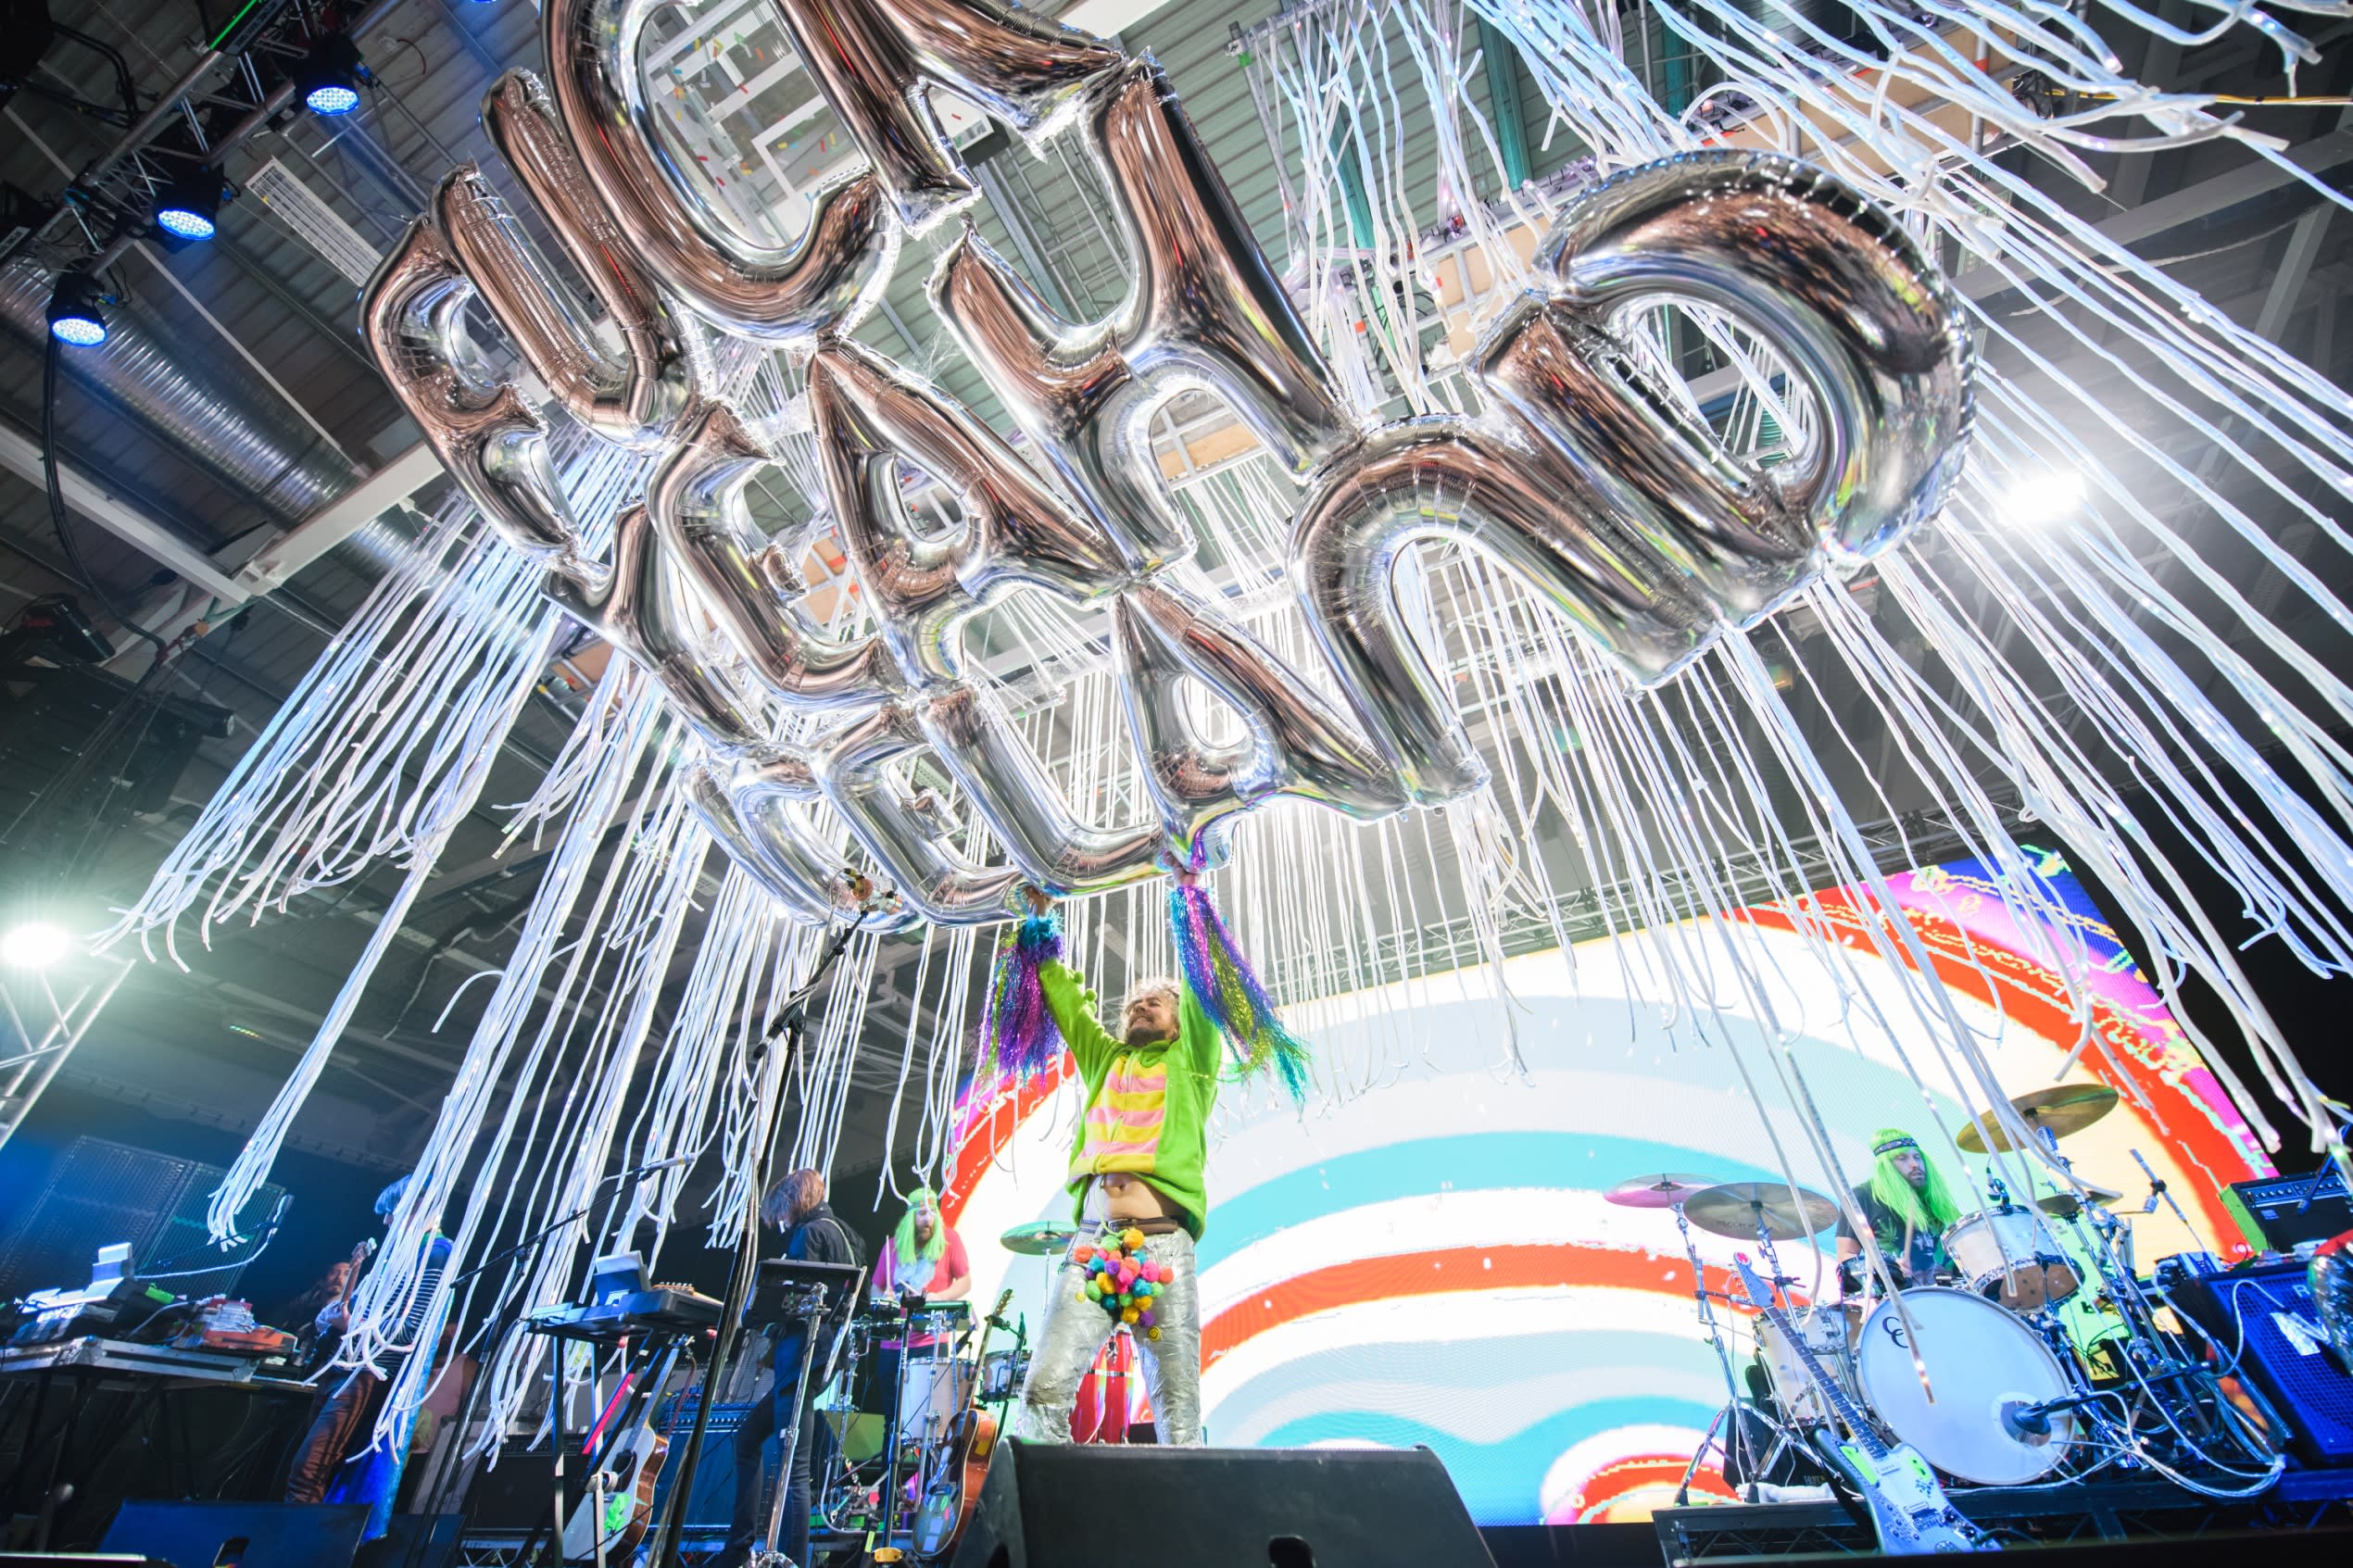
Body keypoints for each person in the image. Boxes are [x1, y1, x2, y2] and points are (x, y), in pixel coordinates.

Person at [1009, 871, 1223, 1448]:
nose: (1142, 1006)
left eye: (1156, 1003)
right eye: (1133, 1004)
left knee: (1178, 1416)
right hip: (1095, 1247)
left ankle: (1187, 1534)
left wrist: (1187, 896)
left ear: (1178, 1021)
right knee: (1042, 1391)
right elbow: (1067, 1005)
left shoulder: (1192, 1062)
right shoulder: (1106, 1061)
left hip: (1162, 1250)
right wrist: (1039, 925)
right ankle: (1046, 1525)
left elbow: (1202, 987)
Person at [719, 1168, 862, 1568]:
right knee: (748, 1438)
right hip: (818, 1359)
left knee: (794, 1469)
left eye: (781, 1212)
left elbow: (794, 1301)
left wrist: (762, 1316)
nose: (780, 1222)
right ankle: (740, 1548)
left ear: (794, 1201)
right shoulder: (844, 1233)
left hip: (803, 1358)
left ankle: (787, 1559)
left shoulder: (811, 1234)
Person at [284, 1175, 452, 1512]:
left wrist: (351, 1324)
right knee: (310, 1474)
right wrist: (335, 1317)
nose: (386, 1220)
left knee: (309, 1472)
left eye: (392, 1211)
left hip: (367, 1374)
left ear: (418, 1207)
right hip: (344, 1370)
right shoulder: (399, 1257)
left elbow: (410, 1329)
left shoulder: (434, 1252)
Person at [1836, 1128, 1963, 1291]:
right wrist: (1887, 1269)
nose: (1915, 1164)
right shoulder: (1861, 1196)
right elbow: (1846, 1256)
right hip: (1898, 1301)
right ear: (1886, 1166)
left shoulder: (1934, 1199)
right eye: (1902, 1158)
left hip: (1951, 1293)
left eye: (1917, 1157)